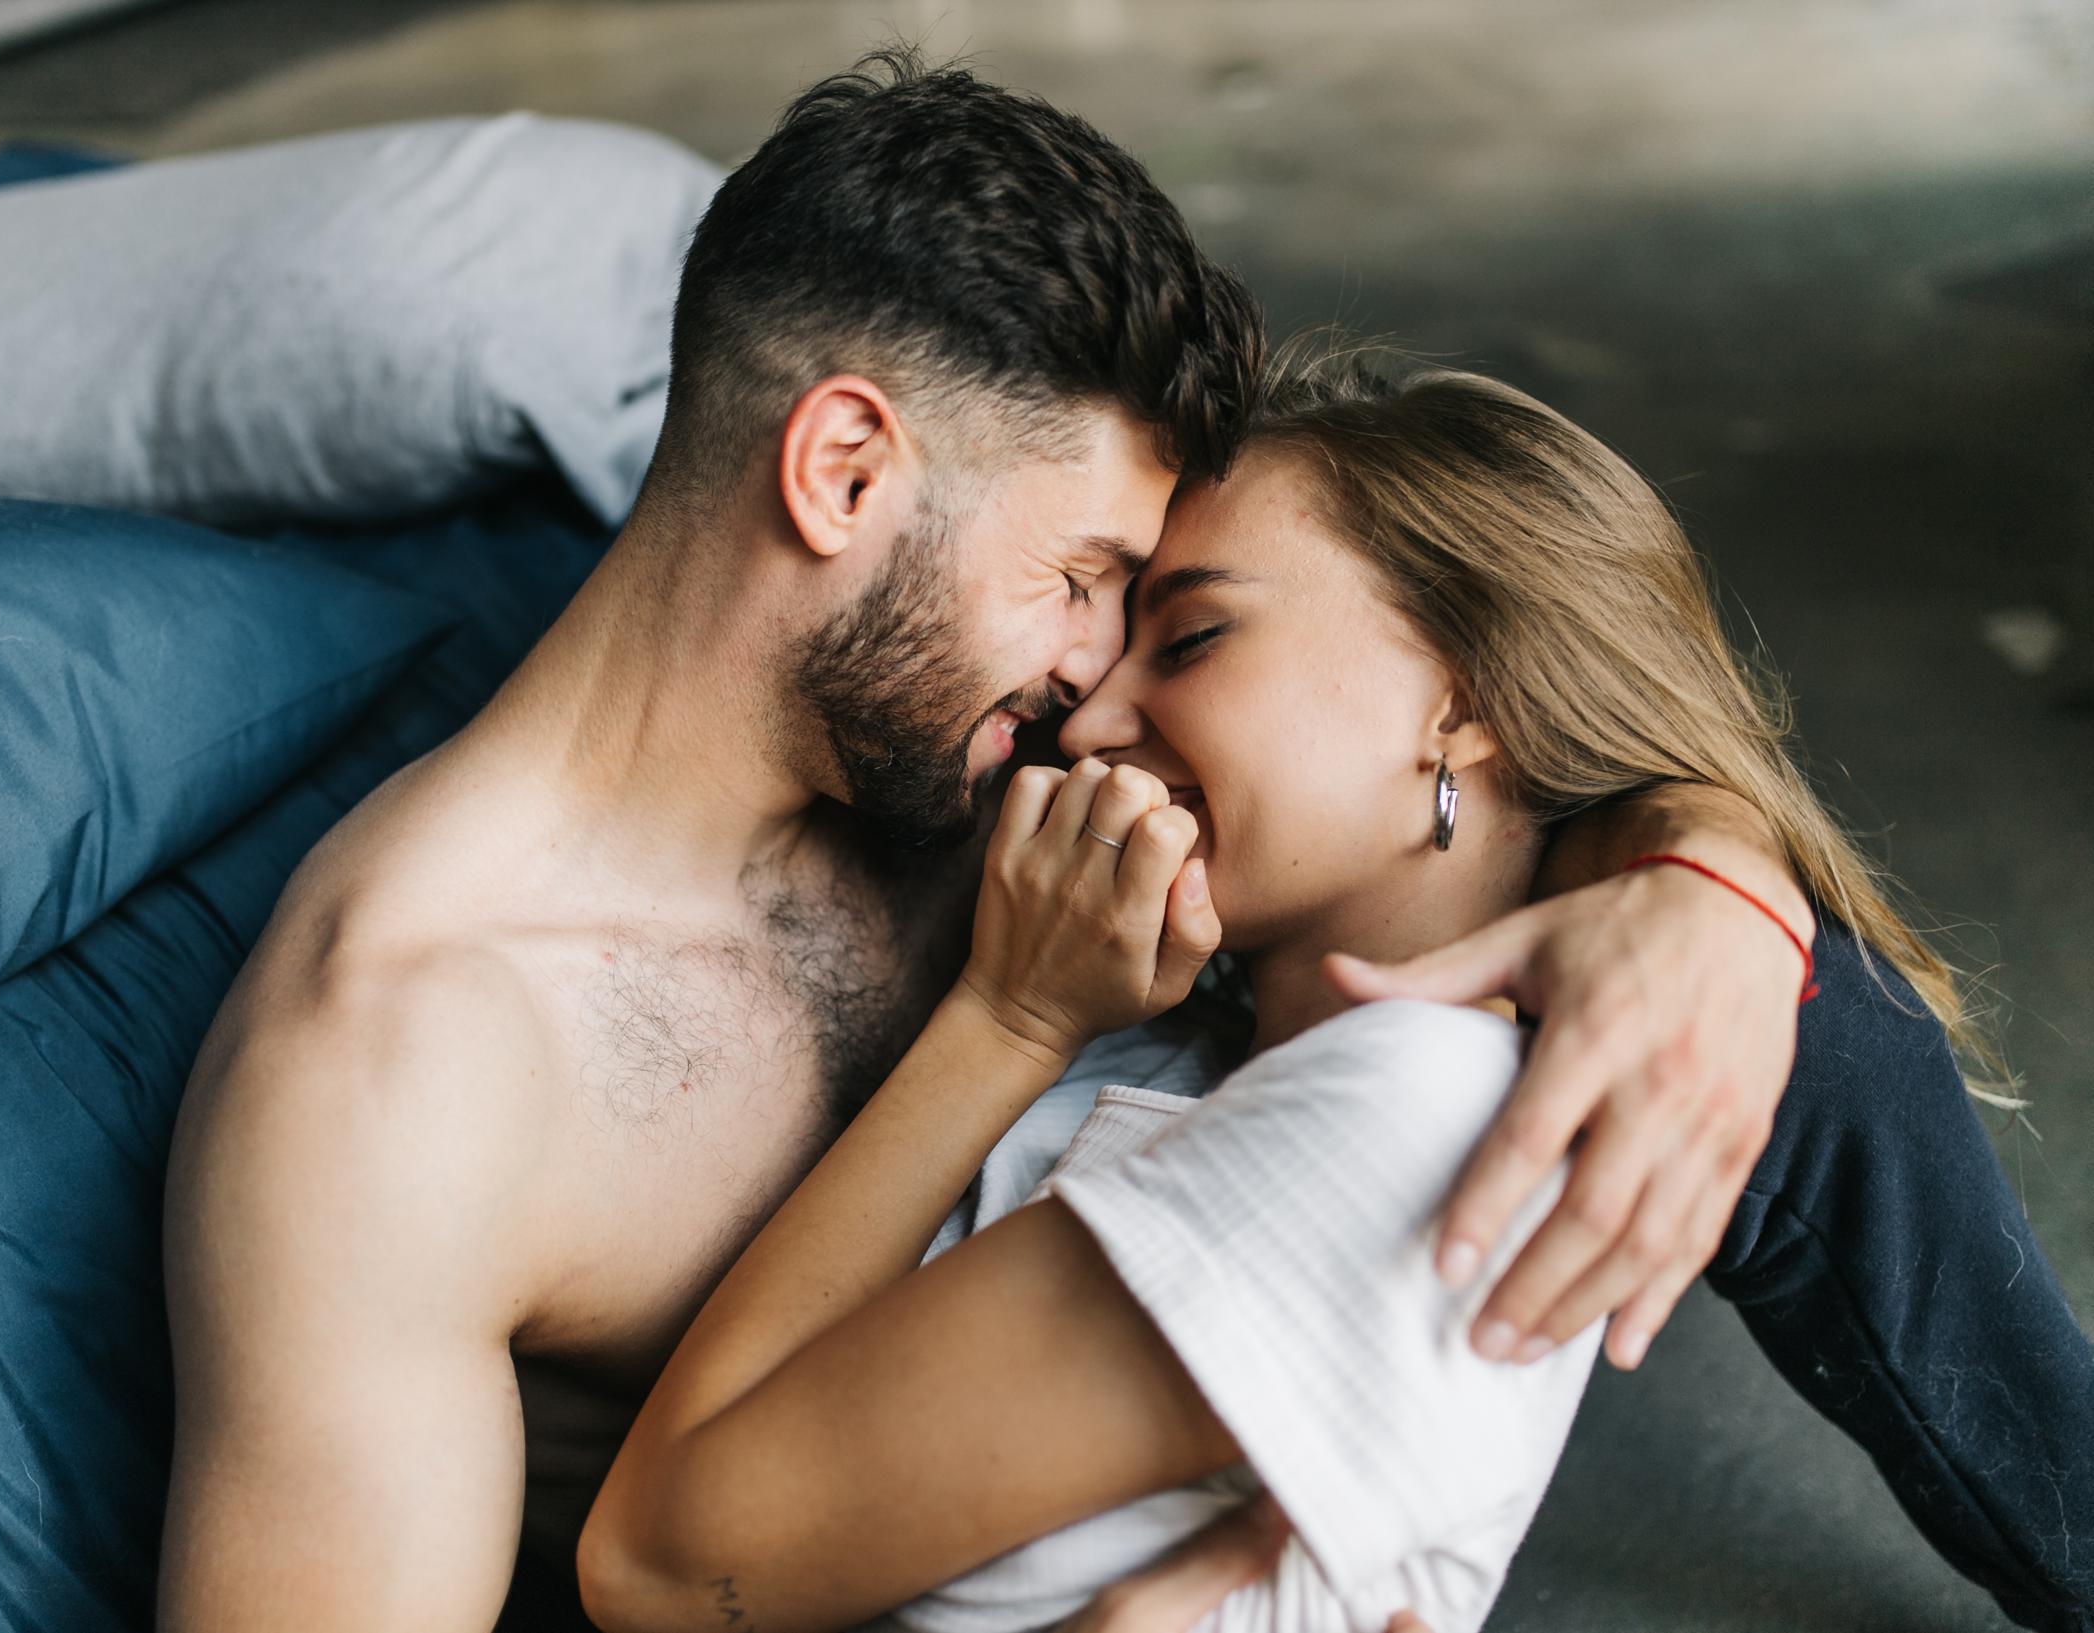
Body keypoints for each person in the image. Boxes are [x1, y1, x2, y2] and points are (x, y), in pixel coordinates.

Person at [152, 55, 1897, 1632]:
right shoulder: (395, 1073)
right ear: (842, 470)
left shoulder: (980, 757)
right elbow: (663, 1571)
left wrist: (1716, 880)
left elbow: (1523, 710)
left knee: (1811, 1036)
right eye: (1075, 584)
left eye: (1146, 610)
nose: (1094, 687)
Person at [577, 351, 2094, 1633]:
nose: (1085, 710)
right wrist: (1714, 865)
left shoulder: (1397, 1114)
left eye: (1193, 635)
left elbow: (654, 1563)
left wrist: (1007, 1018)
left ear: (1465, 699)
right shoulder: (1205, 1011)